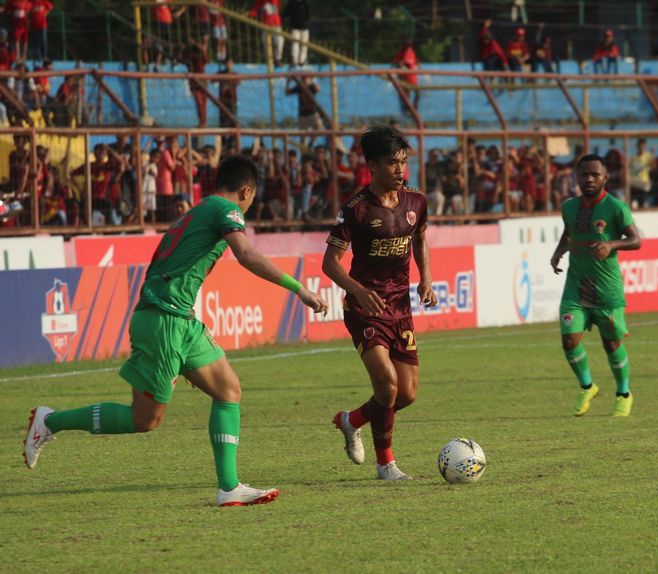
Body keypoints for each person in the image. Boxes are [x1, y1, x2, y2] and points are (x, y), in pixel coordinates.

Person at [24, 155, 329, 507]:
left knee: (228, 389)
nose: (249, 205)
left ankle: (229, 486)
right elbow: (245, 255)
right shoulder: (226, 210)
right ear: (246, 191)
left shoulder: (199, 210)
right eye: (252, 198)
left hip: (179, 320)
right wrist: (298, 288)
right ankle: (51, 421)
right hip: (164, 319)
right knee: (145, 420)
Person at [322, 125, 438, 480]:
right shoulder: (356, 210)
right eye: (392, 164)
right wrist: (357, 291)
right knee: (387, 387)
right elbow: (330, 263)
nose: (400, 170)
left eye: (403, 163)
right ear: (372, 165)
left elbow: (419, 240)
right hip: (365, 308)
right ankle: (386, 464)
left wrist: (426, 279)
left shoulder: (416, 200)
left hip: (400, 307)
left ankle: (351, 420)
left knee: (406, 394)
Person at [550, 154, 642, 417]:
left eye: (594, 174)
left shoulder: (615, 207)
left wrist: (612, 244)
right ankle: (587, 386)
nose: (589, 179)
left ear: (605, 177)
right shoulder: (569, 207)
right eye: (584, 174)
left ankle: (624, 393)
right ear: (577, 177)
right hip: (576, 286)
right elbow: (569, 233)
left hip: (607, 289)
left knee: (611, 344)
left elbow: (636, 240)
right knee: (569, 339)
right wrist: (559, 252)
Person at [285, 74, 322, 150]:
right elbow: (287, 92)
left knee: (319, 126)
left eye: (306, 78)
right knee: (303, 137)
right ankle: (304, 152)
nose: (305, 80)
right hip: (303, 114)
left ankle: (311, 143)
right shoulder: (299, 87)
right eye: (303, 78)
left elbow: (318, 88)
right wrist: (287, 82)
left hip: (312, 113)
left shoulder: (312, 86)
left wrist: (313, 80)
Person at [250, 0, 284, 67]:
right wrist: (251, 13)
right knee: (265, 41)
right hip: (265, 24)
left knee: (279, 41)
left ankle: (277, 59)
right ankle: (269, 60)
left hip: (276, 23)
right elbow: (255, 9)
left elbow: (277, 5)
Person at [392, 37, 420, 114]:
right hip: (405, 77)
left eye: (407, 45)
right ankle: (408, 109)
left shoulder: (409, 52)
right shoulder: (402, 52)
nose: (405, 47)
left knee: (416, 93)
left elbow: (407, 65)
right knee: (405, 94)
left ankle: (413, 108)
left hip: (410, 77)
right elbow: (396, 62)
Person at [283, 0, 310, 67]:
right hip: (295, 28)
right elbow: (286, 13)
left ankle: (302, 61)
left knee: (304, 45)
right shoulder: (291, 3)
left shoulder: (305, 3)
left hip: (304, 28)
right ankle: (295, 61)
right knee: (295, 44)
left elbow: (308, 15)